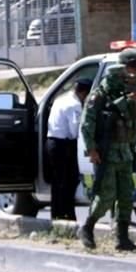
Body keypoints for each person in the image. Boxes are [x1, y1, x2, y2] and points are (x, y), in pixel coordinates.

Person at [79, 49, 136, 251]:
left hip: (126, 150)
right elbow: (87, 123)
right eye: (130, 67)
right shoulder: (103, 92)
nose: (133, 73)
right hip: (107, 151)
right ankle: (87, 227)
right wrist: (92, 150)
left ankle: (122, 238)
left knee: (126, 196)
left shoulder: (135, 89)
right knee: (106, 195)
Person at [45, 77, 93, 221]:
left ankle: (57, 215)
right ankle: (67, 215)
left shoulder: (61, 99)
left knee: (57, 182)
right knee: (68, 182)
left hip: (52, 142)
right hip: (63, 146)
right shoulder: (75, 105)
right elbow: (74, 132)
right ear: (84, 93)